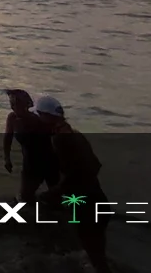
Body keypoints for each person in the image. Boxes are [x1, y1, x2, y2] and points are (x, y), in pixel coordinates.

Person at [38, 96, 112, 273]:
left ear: (49, 117)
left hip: (85, 204)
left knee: (94, 254)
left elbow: (72, 176)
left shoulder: (59, 140)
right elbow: (95, 165)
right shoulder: (76, 135)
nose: (39, 119)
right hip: (100, 200)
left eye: (40, 115)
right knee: (98, 253)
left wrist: (53, 192)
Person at [2, 89, 57, 202]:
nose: (13, 107)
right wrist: (7, 159)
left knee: (58, 195)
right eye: (11, 104)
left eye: (17, 104)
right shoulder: (12, 118)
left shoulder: (37, 119)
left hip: (49, 160)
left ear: (26, 104)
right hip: (30, 162)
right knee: (25, 197)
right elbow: (7, 138)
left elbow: (55, 137)